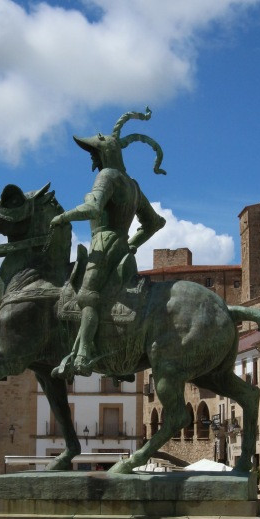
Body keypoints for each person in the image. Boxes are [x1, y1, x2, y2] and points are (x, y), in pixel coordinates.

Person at [50, 110, 166, 378]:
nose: (92, 158)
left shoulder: (107, 177)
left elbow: (92, 208)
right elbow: (154, 222)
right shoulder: (133, 185)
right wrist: (132, 244)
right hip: (122, 248)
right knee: (114, 297)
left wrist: (62, 218)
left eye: (94, 153)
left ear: (104, 153)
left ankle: (83, 354)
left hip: (102, 245)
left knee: (87, 296)